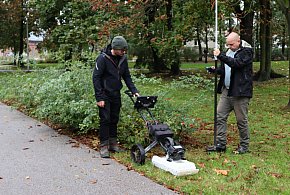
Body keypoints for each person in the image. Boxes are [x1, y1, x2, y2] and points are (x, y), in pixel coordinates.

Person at [92, 36, 139, 158]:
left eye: (125, 50)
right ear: (115, 48)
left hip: (116, 93)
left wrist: (134, 91)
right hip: (104, 94)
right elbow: (96, 78)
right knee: (105, 119)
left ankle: (113, 144)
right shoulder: (102, 58)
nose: (124, 52)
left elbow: (127, 77)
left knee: (114, 119)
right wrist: (99, 97)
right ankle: (103, 146)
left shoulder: (123, 59)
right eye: (122, 50)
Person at [207, 32, 253, 154]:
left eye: (231, 44)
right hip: (227, 90)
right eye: (227, 44)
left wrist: (221, 56)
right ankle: (220, 144)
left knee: (241, 120)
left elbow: (237, 64)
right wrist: (214, 70)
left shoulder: (246, 52)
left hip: (240, 92)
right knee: (220, 116)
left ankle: (244, 146)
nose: (229, 47)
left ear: (238, 41)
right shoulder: (228, 52)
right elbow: (225, 69)